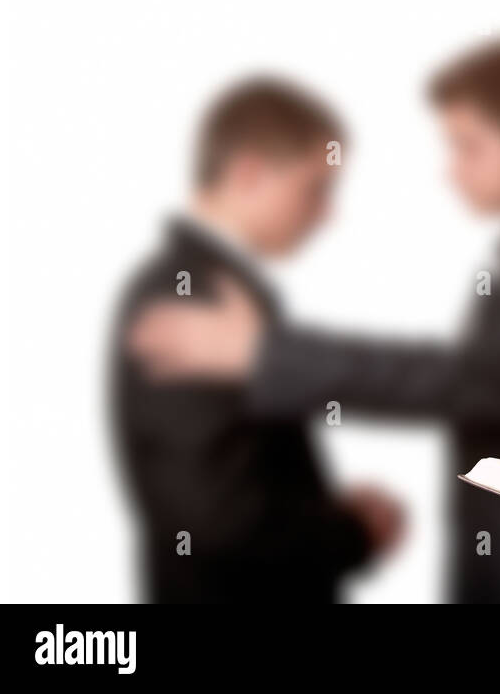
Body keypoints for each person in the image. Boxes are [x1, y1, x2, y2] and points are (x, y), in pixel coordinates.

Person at [129, 38, 500, 603]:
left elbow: (479, 380)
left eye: (467, 146)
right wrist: (345, 530)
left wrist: (268, 356)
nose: (452, 171)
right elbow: (212, 507)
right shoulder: (186, 297)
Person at [110, 77, 404, 603]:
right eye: (315, 189)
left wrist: (326, 513)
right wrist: (354, 533)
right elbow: (218, 519)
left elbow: (244, 476)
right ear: (248, 174)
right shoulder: (191, 298)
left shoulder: (212, 288)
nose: (326, 214)